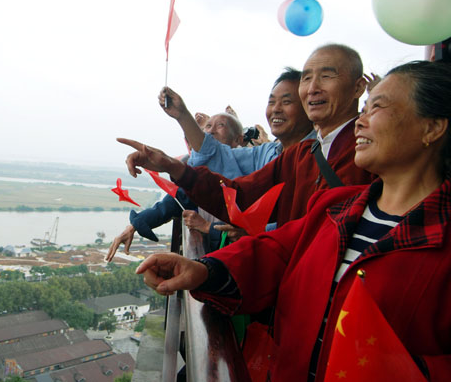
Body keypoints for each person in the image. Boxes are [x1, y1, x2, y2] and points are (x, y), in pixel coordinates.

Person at [134, 60, 451, 381]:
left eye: (377, 107)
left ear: (433, 127)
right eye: (364, 109)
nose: (361, 122)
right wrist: (204, 270)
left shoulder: (439, 234)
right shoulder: (340, 206)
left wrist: (399, 370)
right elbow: (275, 250)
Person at [119, 44, 375, 229]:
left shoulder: (369, 151)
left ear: (358, 88)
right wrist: (173, 165)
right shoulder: (298, 156)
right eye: (307, 78)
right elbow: (238, 195)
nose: (313, 88)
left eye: (327, 76)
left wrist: (216, 235)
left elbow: (302, 235)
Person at [107, 68, 314, 261]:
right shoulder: (268, 153)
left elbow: (297, 228)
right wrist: (182, 118)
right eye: (272, 102)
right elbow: (213, 162)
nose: (276, 109)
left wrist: (213, 228)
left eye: (286, 102)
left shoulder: (318, 159)